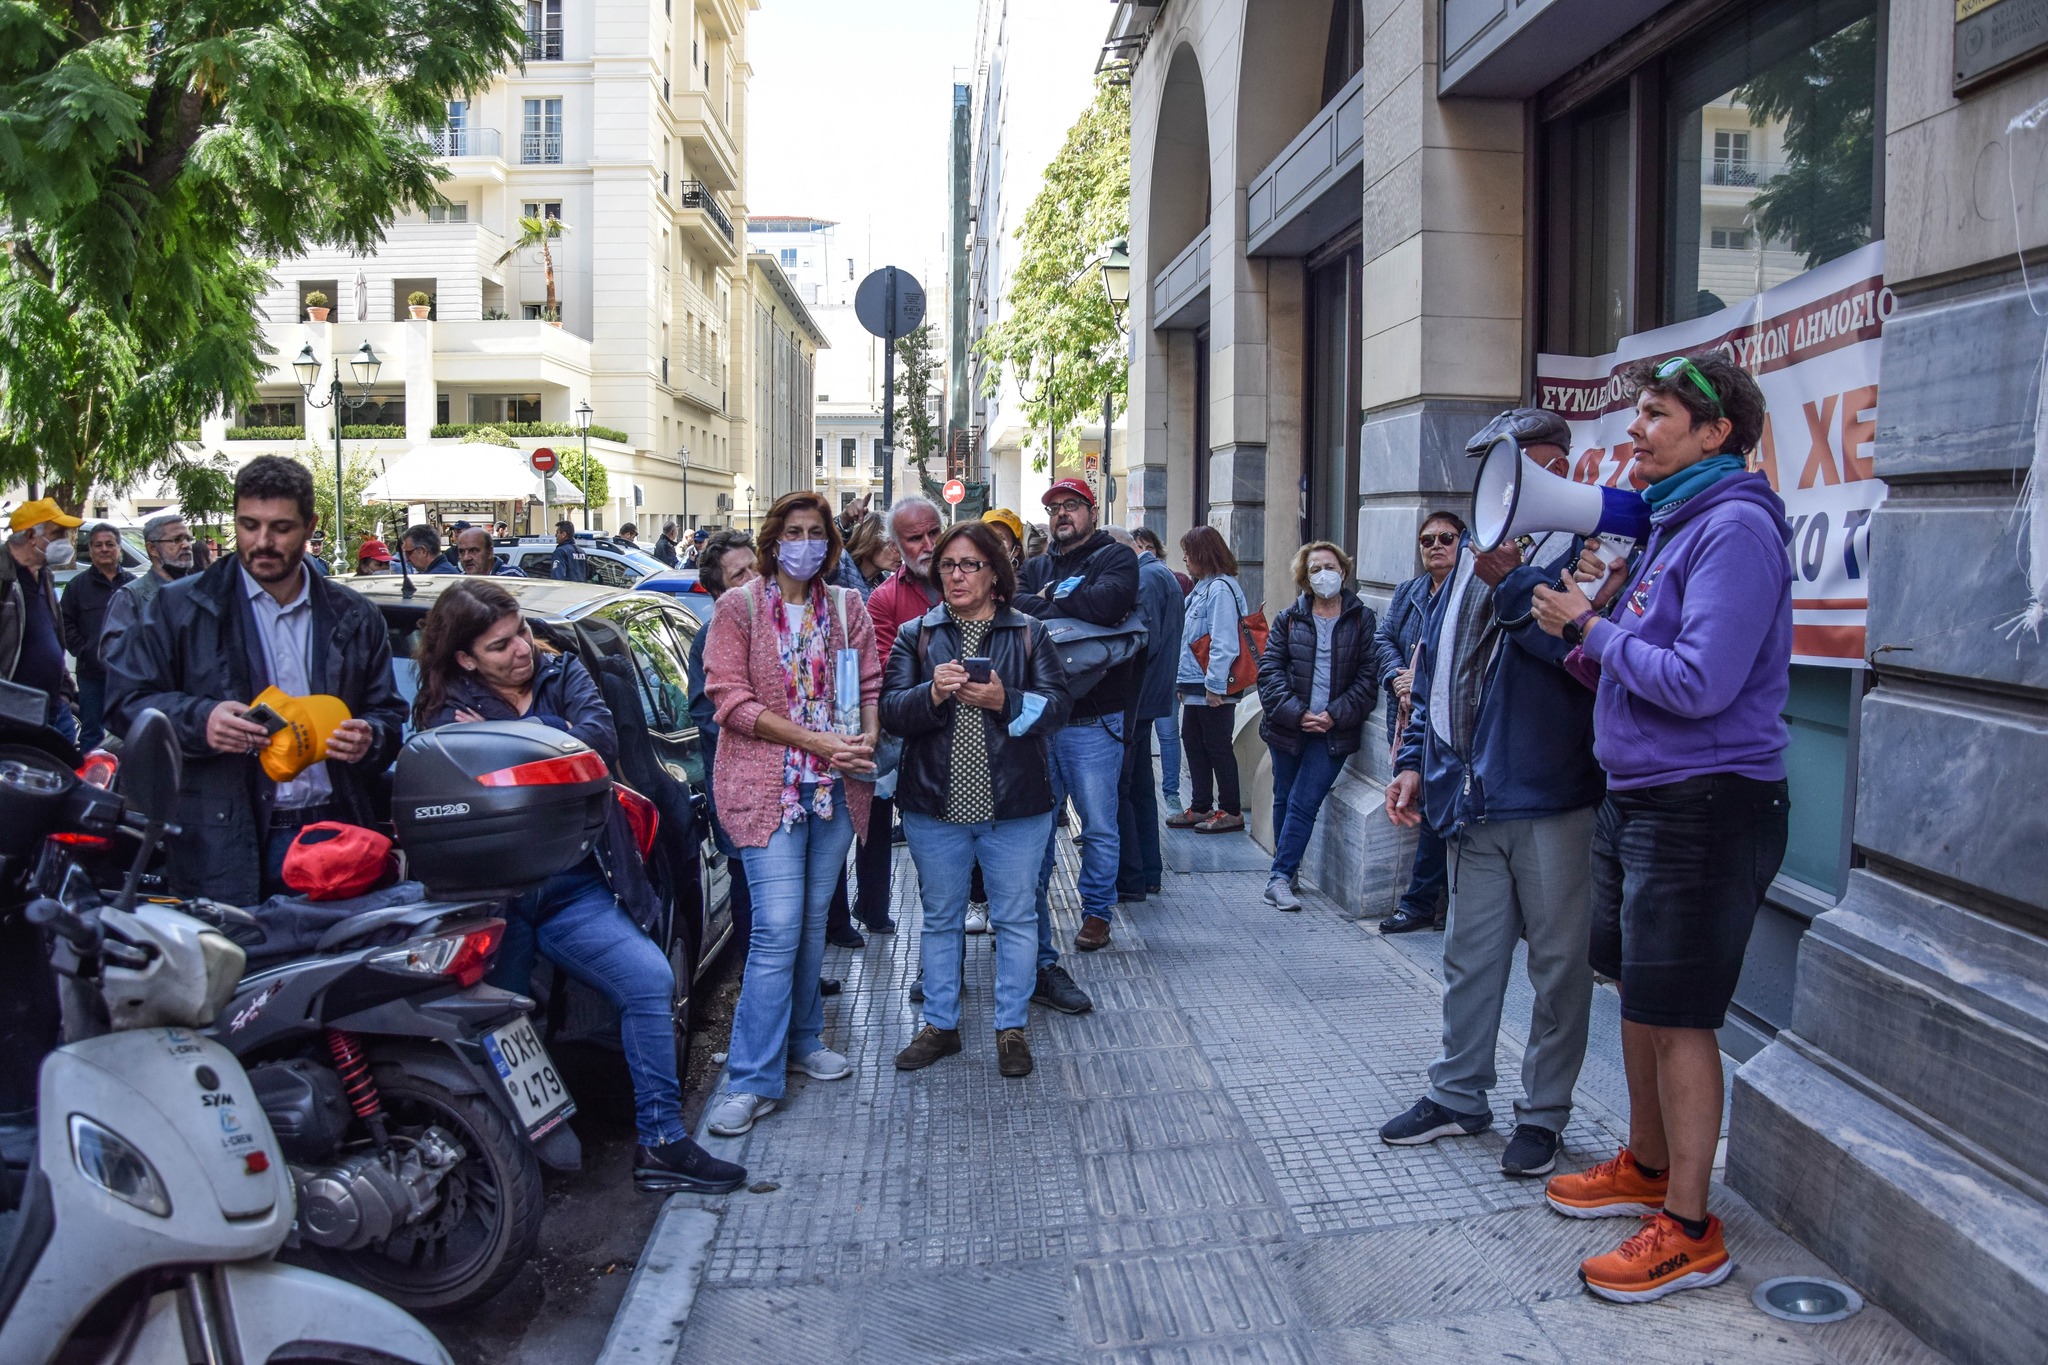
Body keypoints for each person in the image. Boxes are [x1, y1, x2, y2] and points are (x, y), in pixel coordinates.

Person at [1528, 354, 1790, 1303]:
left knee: (1680, 1015)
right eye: (1637, 412)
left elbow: (1701, 682)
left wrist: (1590, 630)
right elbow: (1638, 671)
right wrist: (1585, 631)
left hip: (1706, 803)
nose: (1633, 431)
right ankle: (1644, 1163)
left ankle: (1689, 1226)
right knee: (1635, 988)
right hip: (1644, 794)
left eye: (1654, 414)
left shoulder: (1734, 530)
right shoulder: (1673, 523)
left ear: (1716, 432)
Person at [411, 579, 744, 1196]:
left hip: (576, 888)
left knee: (650, 981)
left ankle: (663, 1144)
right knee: (502, 1025)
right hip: (492, 901)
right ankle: (498, 1164)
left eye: (521, 636)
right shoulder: (439, 704)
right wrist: (548, 737)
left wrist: (504, 746)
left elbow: (597, 742)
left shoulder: (563, 672)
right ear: (464, 658)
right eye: (499, 646)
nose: (521, 652)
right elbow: (435, 772)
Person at [1377, 407, 1609, 1186]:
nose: (1501, 482)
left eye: (1521, 465)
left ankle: (1543, 1114)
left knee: (1557, 966)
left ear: (1561, 467)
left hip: (1548, 797)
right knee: (1469, 959)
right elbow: (1437, 671)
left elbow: (1572, 655)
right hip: (1471, 796)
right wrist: (1415, 760)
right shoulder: (1475, 557)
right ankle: (1458, 1093)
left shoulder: (1592, 553)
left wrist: (1514, 583)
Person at [103, 456, 407, 905]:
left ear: (310, 526)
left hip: (334, 836)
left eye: (280, 528)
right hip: (223, 844)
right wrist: (201, 720)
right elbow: (124, 702)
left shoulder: (355, 614)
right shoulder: (177, 608)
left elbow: (388, 716)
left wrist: (371, 738)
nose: (261, 542)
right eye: (248, 525)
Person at [701, 491, 881, 1138]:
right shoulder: (737, 607)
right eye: (793, 530)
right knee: (776, 928)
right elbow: (730, 701)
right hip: (764, 789)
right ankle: (751, 1077)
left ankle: (805, 1038)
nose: (804, 542)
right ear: (774, 539)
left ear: (830, 542)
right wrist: (813, 741)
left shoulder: (845, 605)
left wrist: (863, 741)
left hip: (834, 789)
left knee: (808, 924)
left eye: (816, 531)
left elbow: (867, 685)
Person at [884, 521, 1073, 1078]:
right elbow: (892, 711)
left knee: (1015, 918)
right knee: (941, 917)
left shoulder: (1028, 633)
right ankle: (940, 1026)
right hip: (933, 807)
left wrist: (1005, 699)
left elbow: (1058, 708)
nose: (957, 576)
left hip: (1015, 807)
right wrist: (932, 693)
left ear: (996, 575)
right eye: (947, 566)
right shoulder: (916, 633)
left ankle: (1010, 1028)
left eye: (970, 565)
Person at [1012, 476, 1138, 978]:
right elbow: (1018, 606)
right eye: (1054, 507)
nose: (1061, 514)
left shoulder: (1116, 557)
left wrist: (1053, 599)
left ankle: (1096, 913)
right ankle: (1032, 911)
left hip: (1095, 718)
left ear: (1090, 510)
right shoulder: (1035, 566)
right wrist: (1066, 598)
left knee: (1098, 824)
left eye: (1071, 505)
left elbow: (1110, 605)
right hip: (1042, 717)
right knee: (1038, 824)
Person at [1256, 542, 1378, 911]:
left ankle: (1278, 877)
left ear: (1343, 570)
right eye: (1314, 569)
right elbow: (1270, 673)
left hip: (1334, 731)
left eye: (1330, 566)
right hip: (1288, 727)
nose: (1323, 574)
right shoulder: (1288, 618)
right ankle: (1287, 871)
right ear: (1305, 578)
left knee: (1304, 801)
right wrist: (1297, 713)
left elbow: (1368, 676)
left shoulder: (1361, 618)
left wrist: (1334, 714)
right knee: (1285, 796)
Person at [856, 495, 949, 944]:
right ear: (896, 546)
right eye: (916, 538)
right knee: (931, 866)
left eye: (934, 532)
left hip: (976, 746)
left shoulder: (975, 578)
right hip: (913, 747)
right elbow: (892, 681)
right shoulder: (884, 599)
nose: (929, 544)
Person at [1376, 511, 1465, 933]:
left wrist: (1424, 678)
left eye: (1446, 538)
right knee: (1421, 808)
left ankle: (1425, 902)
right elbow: (1383, 639)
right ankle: (1428, 902)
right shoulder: (1410, 591)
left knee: (1438, 812)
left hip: (1449, 721)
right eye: (1427, 540)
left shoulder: (1469, 590)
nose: (1435, 546)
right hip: (1409, 718)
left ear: (1463, 542)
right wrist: (1398, 676)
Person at [1110, 525, 1181, 903]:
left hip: (1137, 699)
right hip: (1146, 697)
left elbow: (1142, 643)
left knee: (1128, 787)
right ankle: (1146, 872)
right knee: (1138, 786)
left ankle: (1136, 874)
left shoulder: (1147, 578)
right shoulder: (1158, 574)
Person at [1168, 525, 1249, 834]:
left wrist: (1215, 686)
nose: (1185, 557)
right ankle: (1201, 806)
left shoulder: (1220, 589)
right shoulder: (1204, 586)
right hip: (1195, 685)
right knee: (1194, 742)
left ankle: (1231, 811)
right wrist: (1182, 683)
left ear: (1205, 553)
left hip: (1212, 686)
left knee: (1217, 746)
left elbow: (1224, 640)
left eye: (1190, 551)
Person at [2, 499, 82, 736]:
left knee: (72, 771)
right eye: (56, 533)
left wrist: (65, 691)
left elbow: (52, 638)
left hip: (55, 708)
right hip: (13, 717)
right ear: (30, 536)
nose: (64, 541)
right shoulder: (4, 576)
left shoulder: (44, 576)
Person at [59, 523, 134, 749]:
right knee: (92, 734)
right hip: (92, 675)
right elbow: (64, 623)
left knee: (132, 730)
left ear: (119, 548)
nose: (104, 549)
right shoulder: (77, 587)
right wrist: (86, 650)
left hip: (129, 675)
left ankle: (128, 782)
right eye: (98, 545)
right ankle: (92, 782)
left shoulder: (134, 584)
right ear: (90, 551)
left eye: (109, 544)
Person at [1131, 526, 1189, 811]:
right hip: (1164, 676)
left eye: (1147, 546)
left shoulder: (1152, 578)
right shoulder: (1164, 577)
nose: (1143, 550)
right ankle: (1170, 795)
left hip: (1156, 678)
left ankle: (1171, 793)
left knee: (1166, 737)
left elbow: (1149, 637)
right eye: (1139, 545)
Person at [100, 512, 195, 662]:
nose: (186, 545)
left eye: (188, 539)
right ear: (152, 549)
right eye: (176, 540)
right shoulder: (129, 597)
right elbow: (113, 655)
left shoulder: (202, 591)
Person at [843, 513, 901, 593]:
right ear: (871, 541)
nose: (901, 552)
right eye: (893, 544)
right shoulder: (839, 571)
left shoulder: (884, 589)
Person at [454, 525, 527, 577]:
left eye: (474, 551)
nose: (466, 558)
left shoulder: (512, 575)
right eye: (462, 552)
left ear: (489, 552)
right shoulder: (459, 583)